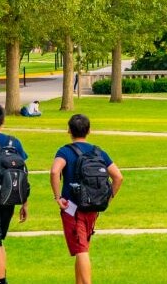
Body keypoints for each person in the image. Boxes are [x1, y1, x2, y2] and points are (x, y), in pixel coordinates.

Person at [50, 114, 124, 284]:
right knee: (81, 248)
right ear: (89, 130)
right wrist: (107, 199)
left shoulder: (65, 151)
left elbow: (55, 172)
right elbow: (118, 177)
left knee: (82, 250)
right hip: (93, 207)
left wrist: (57, 197)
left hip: (72, 208)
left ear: (69, 130)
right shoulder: (98, 152)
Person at [0, 105, 29, 284]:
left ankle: (1, 281)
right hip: (10, 196)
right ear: (3, 120)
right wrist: (25, 203)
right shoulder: (14, 142)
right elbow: (23, 171)